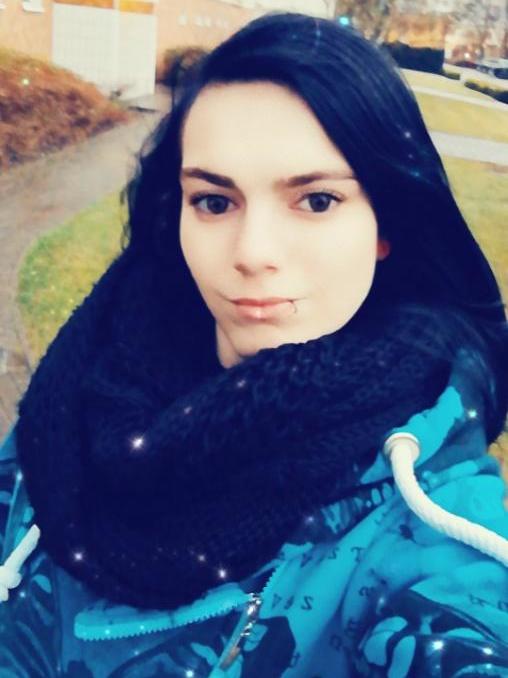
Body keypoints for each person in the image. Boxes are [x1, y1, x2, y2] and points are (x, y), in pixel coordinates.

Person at [1, 11, 508, 677]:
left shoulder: (435, 530)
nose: (252, 252)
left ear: (388, 225)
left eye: (317, 201)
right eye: (214, 201)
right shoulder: (85, 379)